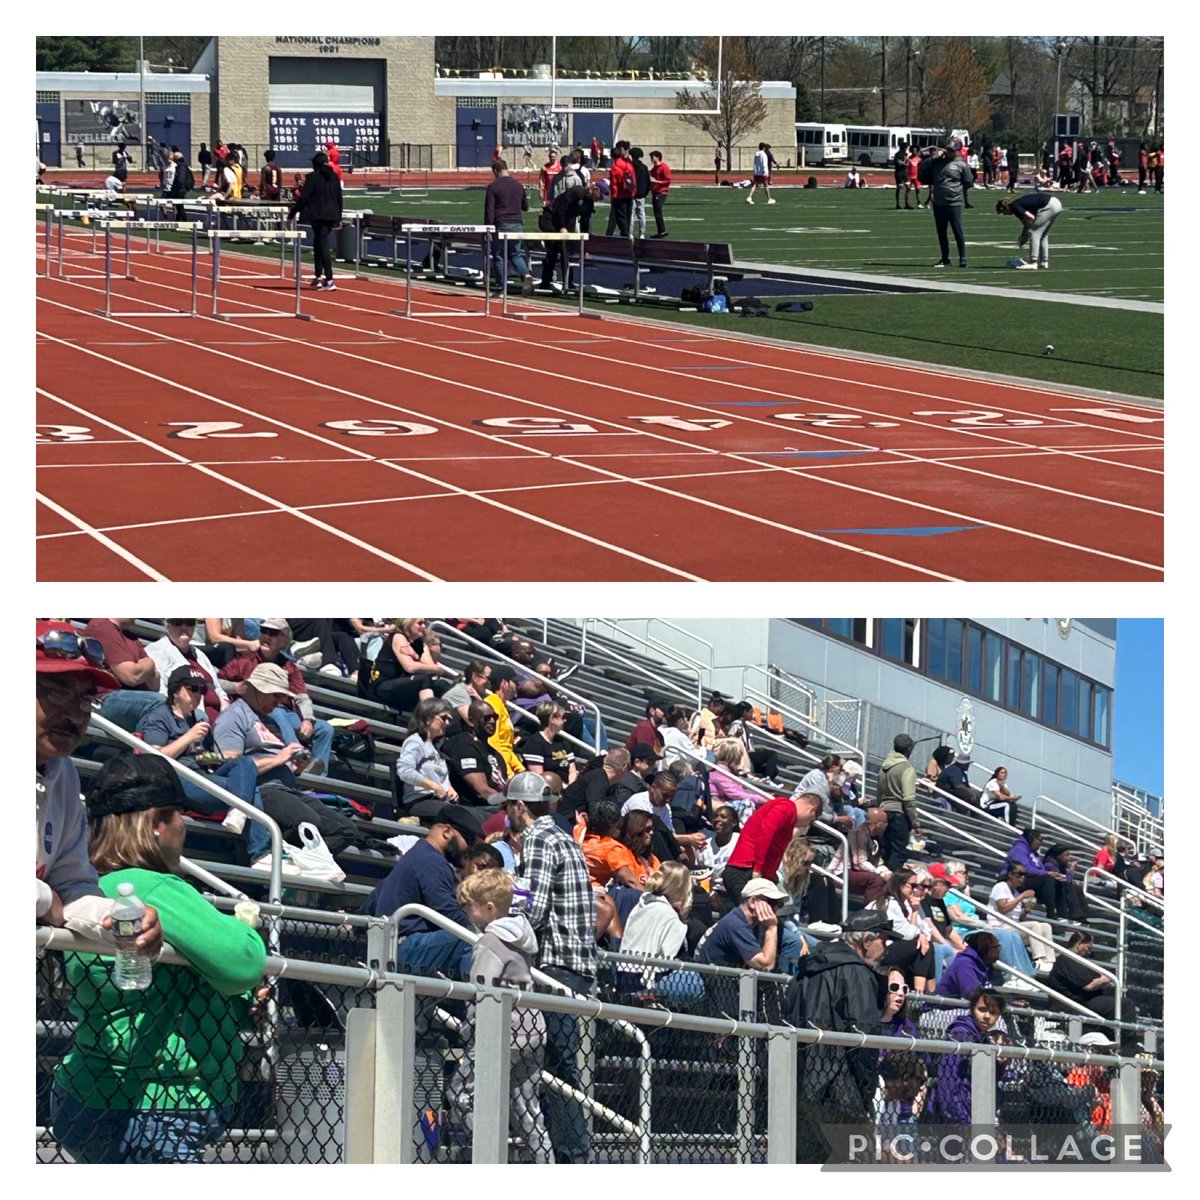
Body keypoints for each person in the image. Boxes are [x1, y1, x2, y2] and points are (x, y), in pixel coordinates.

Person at [50, 753, 267, 1164]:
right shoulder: (152, 888)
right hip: (160, 1103)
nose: (185, 828)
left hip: (82, 1095)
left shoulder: (88, 891)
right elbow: (243, 962)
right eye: (181, 815)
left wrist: (236, 1002)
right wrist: (245, 928)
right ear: (155, 823)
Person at [36, 623, 163, 954]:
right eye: (57, 692)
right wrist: (44, 897)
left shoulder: (63, 773)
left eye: (86, 700)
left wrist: (121, 921)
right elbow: (53, 899)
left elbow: (74, 887)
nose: (75, 715)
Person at [503, 771, 596, 1164]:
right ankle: (565, 1153)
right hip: (573, 962)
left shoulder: (539, 838)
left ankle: (570, 1156)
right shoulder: (563, 837)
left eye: (507, 807)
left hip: (557, 964)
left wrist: (497, 907)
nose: (506, 815)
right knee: (560, 1065)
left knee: (556, 1066)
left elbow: (534, 910)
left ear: (519, 807)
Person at [211, 663, 363, 873]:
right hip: (261, 789)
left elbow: (278, 758)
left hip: (287, 788)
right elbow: (229, 766)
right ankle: (283, 860)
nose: (279, 701)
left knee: (346, 829)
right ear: (258, 689)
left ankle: (302, 864)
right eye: (275, 695)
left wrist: (295, 767)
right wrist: (280, 759)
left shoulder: (271, 718)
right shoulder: (233, 717)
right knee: (307, 822)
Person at [449, 868, 550, 1162]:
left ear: (489, 908)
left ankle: (489, 1157)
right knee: (526, 1108)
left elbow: (481, 992)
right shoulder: (522, 936)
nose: (467, 913)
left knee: (462, 1096)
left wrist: (469, 1031)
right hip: (532, 1028)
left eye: (469, 907)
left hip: (501, 1032)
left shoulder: (489, 943)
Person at [786, 912, 893, 1162]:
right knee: (857, 1162)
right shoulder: (857, 973)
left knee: (807, 1161)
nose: (886, 949)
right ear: (867, 940)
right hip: (841, 1088)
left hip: (800, 1081)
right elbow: (865, 1038)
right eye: (884, 941)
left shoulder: (806, 969)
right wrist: (866, 1090)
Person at [138, 665, 269, 857]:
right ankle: (259, 854)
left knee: (244, 763)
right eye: (193, 688)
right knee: (251, 792)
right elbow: (154, 758)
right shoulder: (161, 716)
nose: (198, 694)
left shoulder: (197, 720)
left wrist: (216, 758)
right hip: (177, 779)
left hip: (199, 776)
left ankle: (239, 812)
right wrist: (189, 736)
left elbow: (200, 757)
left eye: (203, 690)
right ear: (175, 690)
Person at [371, 803, 484, 976]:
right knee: (470, 940)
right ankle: (477, 1001)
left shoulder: (419, 855)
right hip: (405, 947)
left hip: (399, 946)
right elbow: (448, 909)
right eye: (467, 840)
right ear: (446, 832)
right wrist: (480, 933)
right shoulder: (431, 861)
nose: (468, 849)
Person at [218, 620, 335, 777]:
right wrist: (236, 687)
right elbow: (217, 680)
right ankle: (295, 757)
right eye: (264, 631)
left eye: (273, 633)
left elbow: (302, 696)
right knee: (276, 714)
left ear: (284, 640)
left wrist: (308, 719)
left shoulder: (289, 666)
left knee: (326, 729)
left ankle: (318, 781)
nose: (266, 636)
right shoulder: (245, 660)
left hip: (288, 712)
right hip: (260, 711)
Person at [720, 791, 820, 908]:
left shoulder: (788, 815)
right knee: (753, 914)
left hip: (754, 872)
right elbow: (765, 833)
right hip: (745, 869)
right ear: (811, 811)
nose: (807, 824)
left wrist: (770, 876)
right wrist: (757, 869)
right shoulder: (787, 807)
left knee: (766, 913)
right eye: (811, 820)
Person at [926, 987, 1009, 1125]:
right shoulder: (961, 1034)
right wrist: (961, 1120)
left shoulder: (983, 1038)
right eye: (982, 1010)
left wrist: (1000, 1063)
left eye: (993, 1013)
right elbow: (948, 1081)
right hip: (955, 1118)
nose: (987, 1016)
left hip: (973, 1113)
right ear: (972, 1008)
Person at [80, 618, 163, 732]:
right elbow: (131, 676)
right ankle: (149, 748)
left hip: (136, 700)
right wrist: (150, 663)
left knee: (193, 715)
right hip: (104, 699)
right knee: (160, 704)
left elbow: (154, 684)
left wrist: (144, 667)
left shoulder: (130, 637)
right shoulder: (103, 627)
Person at [365, 618, 456, 717]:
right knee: (423, 679)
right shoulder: (398, 637)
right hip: (384, 686)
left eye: (425, 623)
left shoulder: (420, 643)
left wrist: (416, 656)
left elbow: (432, 669)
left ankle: (446, 720)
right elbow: (410, 667)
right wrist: (433, 668)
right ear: (408, 623)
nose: (424, 626)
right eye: (420, 623)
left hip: (404, 685)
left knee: (442, 684)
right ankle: (430, 718)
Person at [699, 876, 790, 970]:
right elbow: (765, 965)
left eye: (779, 904)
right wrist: (771, 929)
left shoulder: (753, 924)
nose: (776, 909)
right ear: (753, 902)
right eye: (772, 902)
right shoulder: (735, 924)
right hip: (714, 980)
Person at [144, 619, 226, 723]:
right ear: (167, 626)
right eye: (177, 622)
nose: (184, 627)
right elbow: (162, 695)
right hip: (192, 723)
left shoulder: (199, 654)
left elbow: (218, 688)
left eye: (189, 622)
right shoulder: (156, 652)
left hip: (220, 720)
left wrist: (225, 704)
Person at [988, 861, 1056, 971]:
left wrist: (1026, 910)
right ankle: (1039, 958)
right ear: (1010, 874)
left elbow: (1018, 919)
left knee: (1045, 926)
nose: (1022, 878)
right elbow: (1003, 909)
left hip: (1012, 927)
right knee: (1035, 926)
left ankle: (1050, 961)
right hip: (998, 927)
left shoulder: (1015, 893)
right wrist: (1022, 896)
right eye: (1019, 874)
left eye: (1025, 875)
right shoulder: (1001, 886)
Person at [876, 869, 937, 993]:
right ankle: (922, 994)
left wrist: (920, 932)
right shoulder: (890, 903)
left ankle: (930, 993)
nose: (915, 889)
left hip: (896, 946)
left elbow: (926, 932)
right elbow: (908, 934)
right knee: (923, 945)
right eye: (913, 885)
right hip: (881, 950)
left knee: (926, 945)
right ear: (900, 884)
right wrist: (919, 932)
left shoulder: (906, 903)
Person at [918, 137, 974, 268]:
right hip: (938, 202)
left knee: (957, 231)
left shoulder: (962, 164)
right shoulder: (938, 162)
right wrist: (933, 158)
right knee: (941, 232)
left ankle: (962, 257)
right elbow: (922, 168)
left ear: (957, 151)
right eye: (947, 149)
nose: (948, 151)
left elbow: (968, 182)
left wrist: (957, 192)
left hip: (954, 202)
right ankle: (945, 258)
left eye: (951, 150)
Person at [482, 157, 534, 297]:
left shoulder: (493, 187)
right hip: (517, 223)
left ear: (496, 171)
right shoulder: (518, 185)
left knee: (499, 256)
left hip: (501, 223)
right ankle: (525, 274)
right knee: (515, 254)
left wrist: (488, 229)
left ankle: (500, 288)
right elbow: (525, 207)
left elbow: (489, 210)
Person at [394, 697, 458, 811]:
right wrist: (434, 786)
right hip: (419, 800)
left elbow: (438, 775)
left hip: (439, 801)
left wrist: (449, 788)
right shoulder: (415, 741)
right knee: (456, 814)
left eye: (449, 719)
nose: (447, 723)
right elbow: (404, 771)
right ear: (428, 719)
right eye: (444, 718)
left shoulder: (435, 747)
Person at [290, 151, 342, 290]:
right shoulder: (334, 177)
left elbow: (304, 198)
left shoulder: (313, 178)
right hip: (331, 215)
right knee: (318, 243)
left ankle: (329, 279)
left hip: (318, 215)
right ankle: (318, 276)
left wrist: (292, 214)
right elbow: (339, 198)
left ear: (314, 165)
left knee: (322, 244)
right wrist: (339, 217)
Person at [441, 700, 508, 808]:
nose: (492, 721)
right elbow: (482, 791)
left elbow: (504, 784)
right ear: (471, 721)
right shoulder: (464, 746)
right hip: (476, 808)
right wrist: (511, 804)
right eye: (486, 718)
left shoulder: (495, 752)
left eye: (494, 717)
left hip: (499, 806)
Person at [877, 733, 921, 868]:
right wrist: (915, 822)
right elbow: (908, 800)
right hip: (898, 813)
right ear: (908, 750)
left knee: (887, 851)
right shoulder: (907, 768)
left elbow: (879, 793)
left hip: (883, 811)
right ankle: (891, 882)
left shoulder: (883, 768)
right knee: (900, 852)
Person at [997, 191, 1063, 271]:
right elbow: (1027, 224)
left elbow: (1030, 218)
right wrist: (1023, 236)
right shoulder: (1017, 206)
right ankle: (1043, 261)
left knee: (1034, 232)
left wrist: (1023, 238)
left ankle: (1033, 262)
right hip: (1056, 203)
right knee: (1042, 235)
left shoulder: (1015, 206)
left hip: (1049, 205)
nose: (1005, 215)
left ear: (1005, 208)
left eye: (1003, 213)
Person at [936, 929, 1000, 999]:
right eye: (995, 948)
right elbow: (971, 994)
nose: (998, 951)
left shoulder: (983, 965)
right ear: (983, 948)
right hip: (946, 1006)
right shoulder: (964, 964)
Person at [606, 141, 636, 236]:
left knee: (621, 217)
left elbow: (614, 185)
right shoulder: (628, 165)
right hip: (629, 194)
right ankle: (628, 234)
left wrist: (614, 197)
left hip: (619, 196)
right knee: (627, 215)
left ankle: (625, 235)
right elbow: (633, 179)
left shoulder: (615, 168)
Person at [629, 147, 652, 239]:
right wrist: (645, 192)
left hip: (632, 194)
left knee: (631, 214)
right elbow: (648, 181)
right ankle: (642, 233)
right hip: (642, 194)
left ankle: (630, 233)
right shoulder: (644, 167)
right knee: (642, 214)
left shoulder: (630, 166)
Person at [648, 150, 672, 238]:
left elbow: (668, 180)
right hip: (655, 191)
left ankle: (662, 230)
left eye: (652, 156)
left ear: (658, 157)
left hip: (662, 192)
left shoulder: (664, 167)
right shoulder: (654, 168)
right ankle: (660, 232)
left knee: (658, 210)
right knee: (656, 212)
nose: (651, 158)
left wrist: (657, 181)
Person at [893, 140, 911, 209]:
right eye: (906, 147)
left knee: (908, 188)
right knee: (899, 188)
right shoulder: (898, 154)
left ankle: (907, 204)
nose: (907, 148)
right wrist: (905, 162)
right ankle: (897, 204)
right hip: (899, 173)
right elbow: (899, 163)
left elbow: (907, 163)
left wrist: (905, 162)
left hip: (905, 173)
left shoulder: (906, 154)